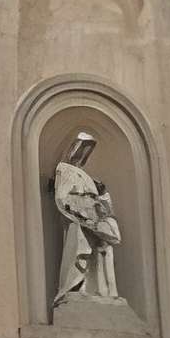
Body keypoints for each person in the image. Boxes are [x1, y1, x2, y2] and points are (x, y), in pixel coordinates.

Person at [52, 131, 122, 306]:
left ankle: (99, 290)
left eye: (87, 150)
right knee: (79, 252)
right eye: (82, 149)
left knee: (101, 253)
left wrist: (102, 194)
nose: (83, 154)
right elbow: (62, 197)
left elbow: (105, 207)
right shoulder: (65, 169)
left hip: (94, 223)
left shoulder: (88, 177)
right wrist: (82, 212)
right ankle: (74, 288)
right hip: (78, 223)